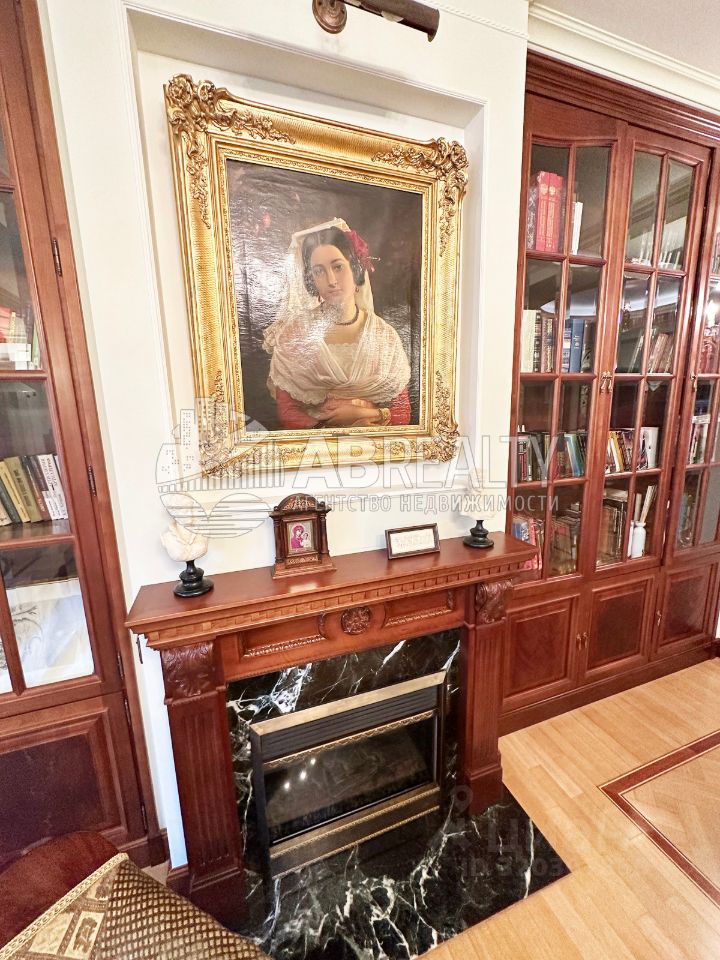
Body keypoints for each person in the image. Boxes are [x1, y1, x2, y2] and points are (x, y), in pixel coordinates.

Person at [263, 218, 412, 429]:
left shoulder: (385, 336)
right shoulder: (295, 333)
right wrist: (327, 428)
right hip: (316, 446)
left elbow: (402, 412)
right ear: (311, 279)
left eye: (338, 267)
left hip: (372, 444)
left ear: (355, 269)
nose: (331, 280)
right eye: (319, 271)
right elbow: (287, 411)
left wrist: (361, 415)